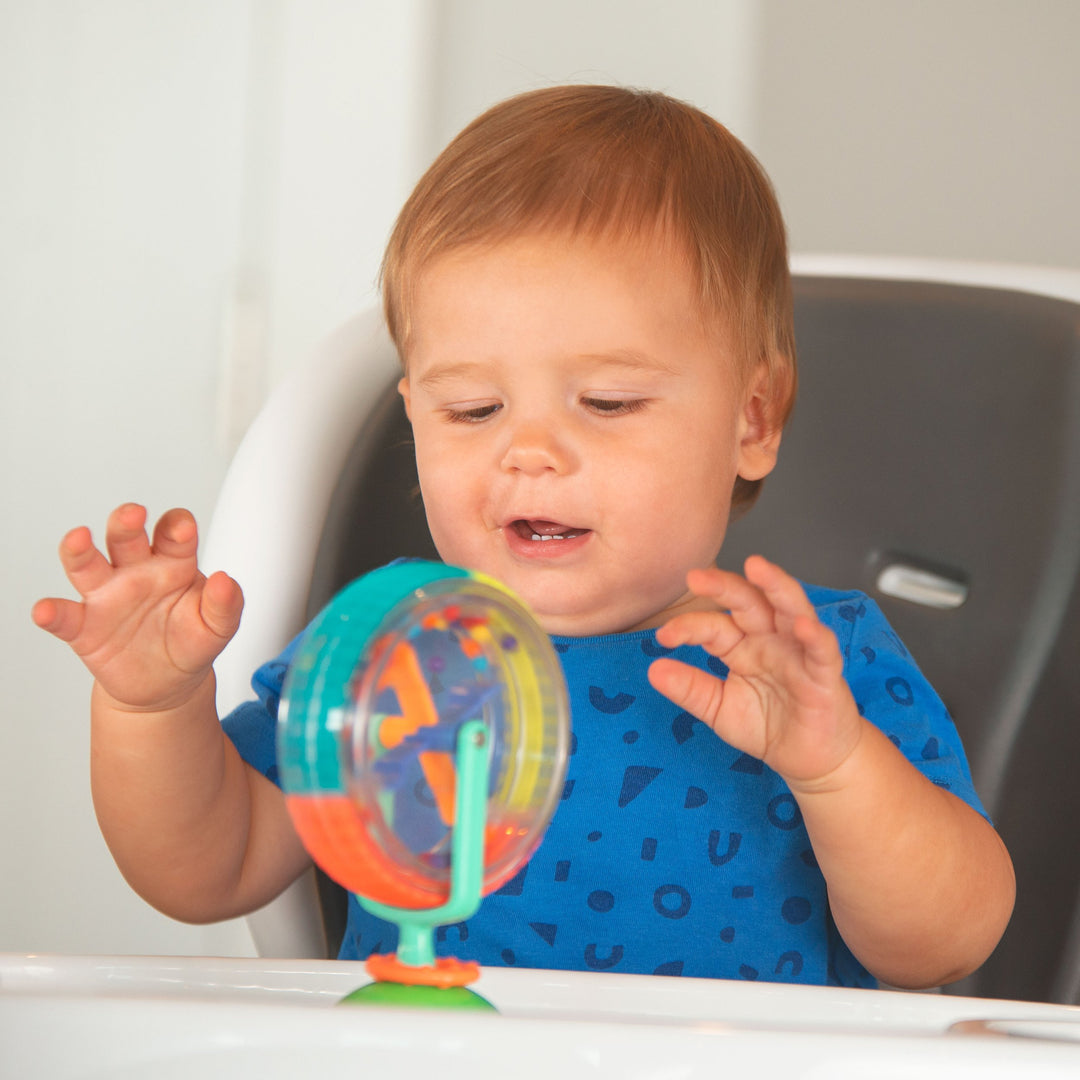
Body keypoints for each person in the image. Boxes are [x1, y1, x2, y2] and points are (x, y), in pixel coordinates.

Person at [33, 85, 1014, 989]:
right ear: (414, 415)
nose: (530, 451)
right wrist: (154, 707)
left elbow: (945, 945)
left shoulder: (813, 666)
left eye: (607, 400)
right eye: (473, 409)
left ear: (751, 421)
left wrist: (834, 763)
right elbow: (214, 868)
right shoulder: (396, 653)